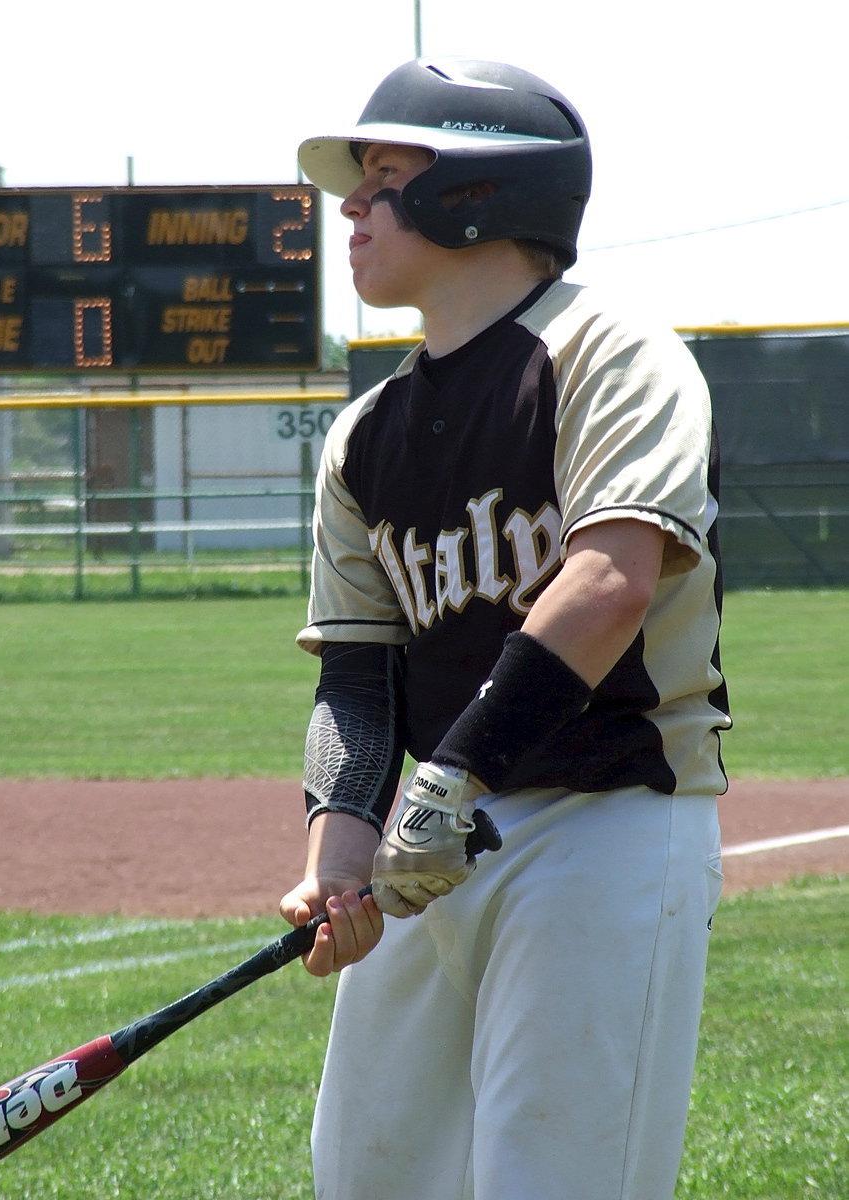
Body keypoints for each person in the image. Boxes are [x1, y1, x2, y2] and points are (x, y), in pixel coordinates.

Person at [279, 56, 731, 1200]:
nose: (351, 207)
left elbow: (610, 584)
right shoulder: (365, 433)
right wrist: (338, 845)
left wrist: (449, 783)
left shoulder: (609, 354)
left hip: (607, 813)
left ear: (476, 194)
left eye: (382, 176)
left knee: (555, 1175)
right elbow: (356, 672)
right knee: (368, 1174)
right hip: (431, 847)